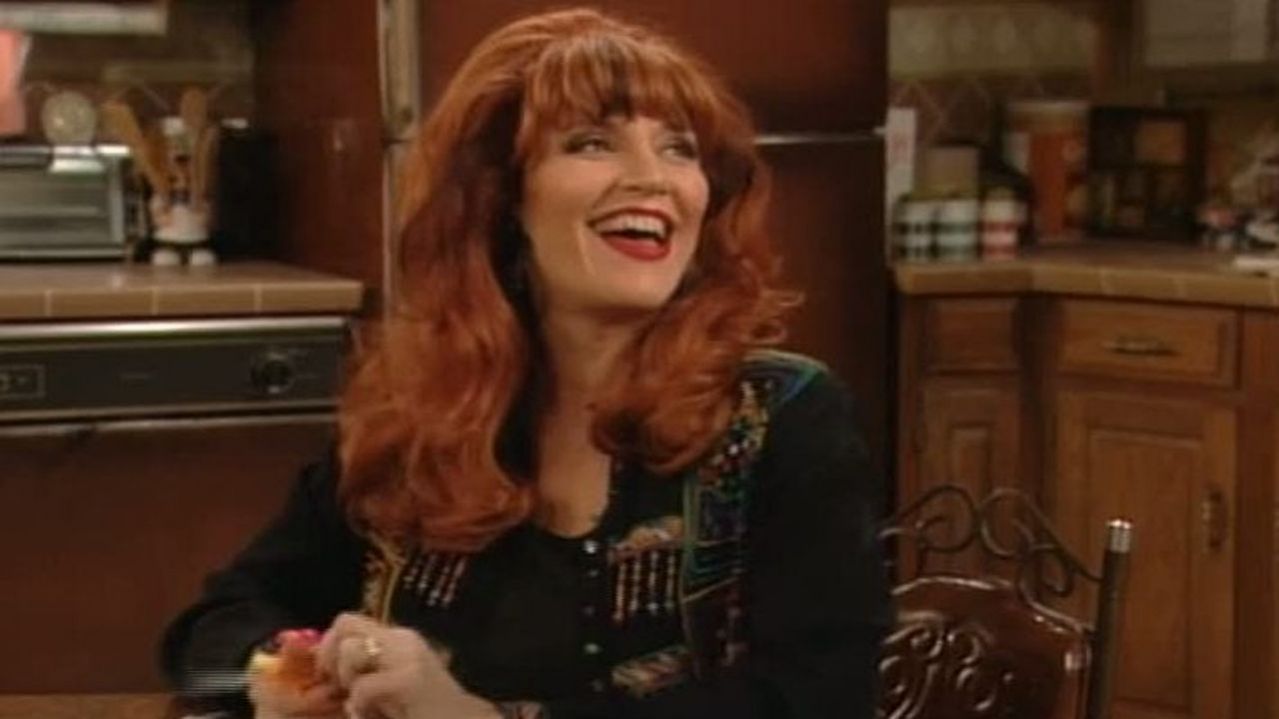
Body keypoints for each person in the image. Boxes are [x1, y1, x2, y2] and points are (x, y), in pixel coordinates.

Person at [161, 8, 891, 718]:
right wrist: (285, 671)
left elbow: (819, 696)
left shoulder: (784, 415)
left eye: (679, 149)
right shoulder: (420, 415)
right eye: (593, 143)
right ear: (502, 196)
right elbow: (209, 632)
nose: (654, 179)